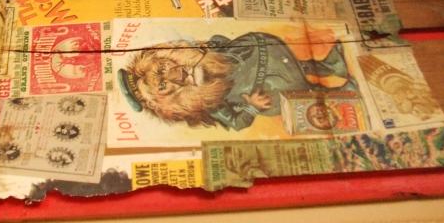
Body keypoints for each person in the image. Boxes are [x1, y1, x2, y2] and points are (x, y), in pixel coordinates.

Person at [118, 27, 354, 130]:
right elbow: (237, 123)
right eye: (163, 85)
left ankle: (331, 65)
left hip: (264, 55)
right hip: (267, 88)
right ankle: (343, 94)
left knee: (294, 64)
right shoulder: (209, 104)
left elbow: (220, 42)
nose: (173, 75)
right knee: (302, 87)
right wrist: (251, 107)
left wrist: (218, 48)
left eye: (162, 68)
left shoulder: (199, 56)